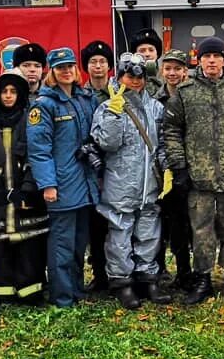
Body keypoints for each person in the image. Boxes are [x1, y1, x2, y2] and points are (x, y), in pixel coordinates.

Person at [163, 35, 224, 304]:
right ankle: (202, 279)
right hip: (198, 177)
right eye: (206, 57)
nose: (211, 61)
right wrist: (179, 166)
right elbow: (171, 131)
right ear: (198, 60)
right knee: (201, 231)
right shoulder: (186, 91)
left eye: (216, 56)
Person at [91, 53, 172, 309]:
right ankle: (122, 283)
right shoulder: (106, 108)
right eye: (130, 76)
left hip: (149, 183)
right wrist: (114, 117)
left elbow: (161, 145)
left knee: (148, 232)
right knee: (120, 233)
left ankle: (148, 279)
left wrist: (167, 169)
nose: (135, 81)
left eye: (140, 77)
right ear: (120, 76)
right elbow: (107, 144)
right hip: (120, 184)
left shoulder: (156, 107)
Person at [27, 47, 101, 308]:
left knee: (80, 243)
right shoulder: (44, 105)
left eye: (70, 66)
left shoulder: (85, 99)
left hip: (84, 184)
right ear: (52, 72)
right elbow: (39, 150)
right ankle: (62, 297)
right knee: (61, 245)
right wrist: (48, 184)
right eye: (60, 68)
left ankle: (77, 291)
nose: (67, 71)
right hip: (61, 185)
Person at [0, 71, 48, 307]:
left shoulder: (31, 120)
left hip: (27, 196)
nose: (9, 96)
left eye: (13, 91)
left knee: (29, 248)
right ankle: (4, 294)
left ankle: (31, 293)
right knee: (2, 248)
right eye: (4, 91)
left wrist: (28, 187)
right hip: (0, 197)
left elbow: (39, 154)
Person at [154, 49, 193, 289]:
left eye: (177, 68)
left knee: (189, 224)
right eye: (168, 68)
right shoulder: (153, 98)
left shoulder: (193, 95)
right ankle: (167, 271)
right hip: (162, 172)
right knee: (166, 223)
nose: (172, 73)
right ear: (161, 71)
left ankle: (189, 272)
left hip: (189, 170)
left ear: (185, 71)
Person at [81, 39, 116, 293]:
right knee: (95, 224)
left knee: (118, 223)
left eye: (102, 62)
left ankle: (119, 272)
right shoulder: (81, 95)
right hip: (90, 169)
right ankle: (99, 273)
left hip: (117, 168)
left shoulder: (118, 94)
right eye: (93, 62)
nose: (98, 67)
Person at [130, 27, 165, 95]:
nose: (147, 54)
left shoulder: (166, 74)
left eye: (151, 50)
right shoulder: (128, 76)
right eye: (142, 51)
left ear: (157, 54)